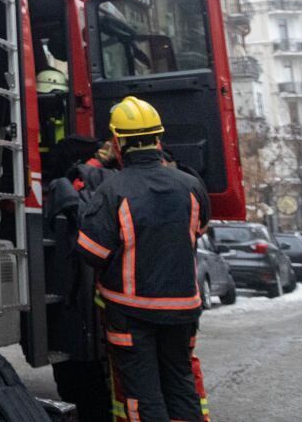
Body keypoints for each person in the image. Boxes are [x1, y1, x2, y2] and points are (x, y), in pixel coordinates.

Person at [76, 96, 209, 422]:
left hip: (130, 312)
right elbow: (198, 230)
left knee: (142, 395)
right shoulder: (191, 185)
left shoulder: (112, 190)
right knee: (181, 386)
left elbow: (92, 253)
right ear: (158, 139)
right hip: (182, 310)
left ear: (117, 142)